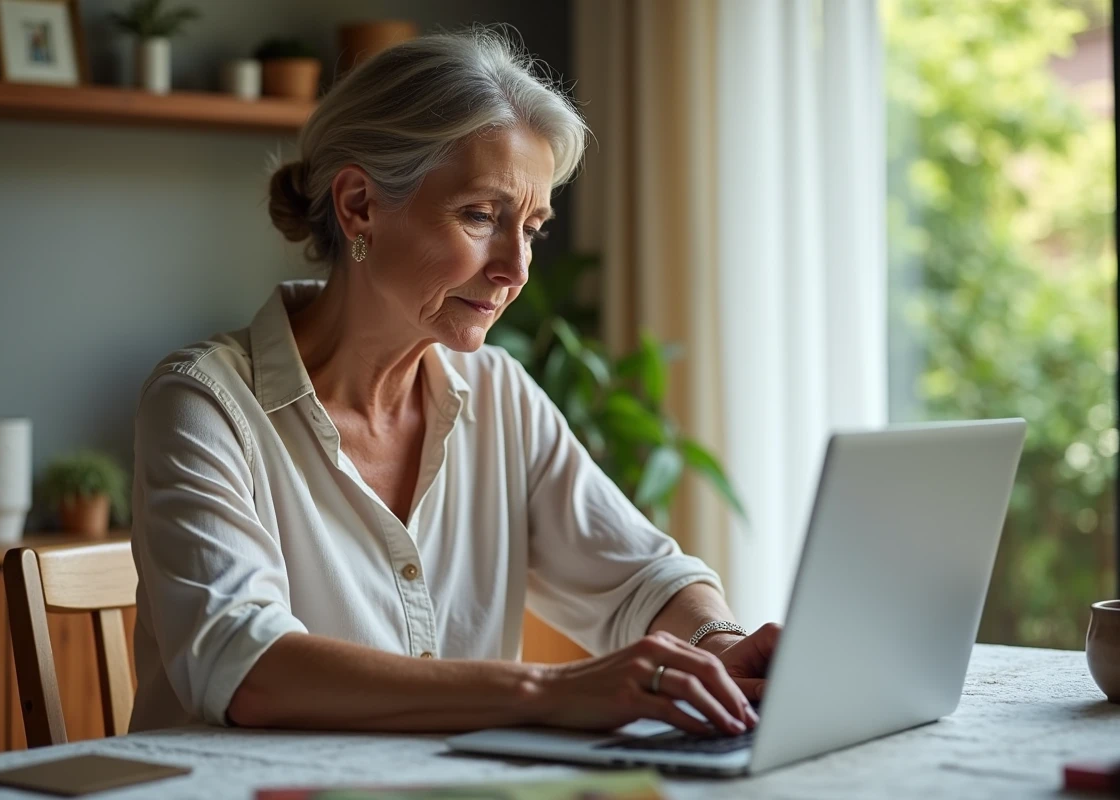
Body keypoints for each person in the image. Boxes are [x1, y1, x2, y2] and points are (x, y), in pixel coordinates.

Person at [128, 27, 779, 736]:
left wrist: (722, 649)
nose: (516, 268)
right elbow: (246, 668)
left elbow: (641, 576)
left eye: (531, 228)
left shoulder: (498, 394)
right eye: (480, 216)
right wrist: (545, 689)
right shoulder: (204, 404)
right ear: (358, 207)